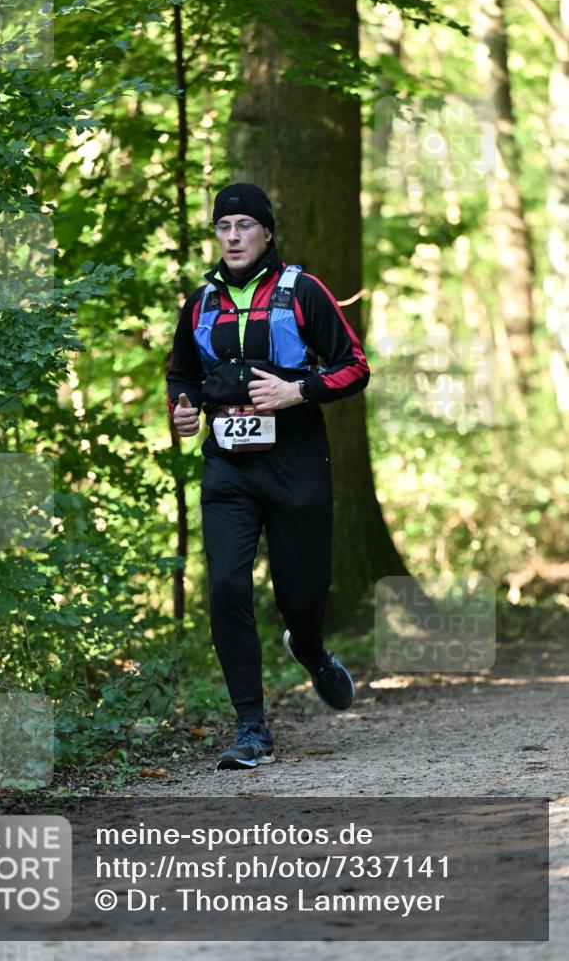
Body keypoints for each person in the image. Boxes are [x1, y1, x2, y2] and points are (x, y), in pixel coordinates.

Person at [166, 183, 370, 770]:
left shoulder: (302, 291)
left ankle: (309, 650)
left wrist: (295, 390)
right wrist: (182, 408)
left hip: (297, 461)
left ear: (266, 233)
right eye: (223, 226)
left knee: (300, 594)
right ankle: (251, 728)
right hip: (229, 465)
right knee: (227, 586)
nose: (232, 236)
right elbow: (182, 374)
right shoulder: (200, 302)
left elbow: (354, 367)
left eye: (244, 226)